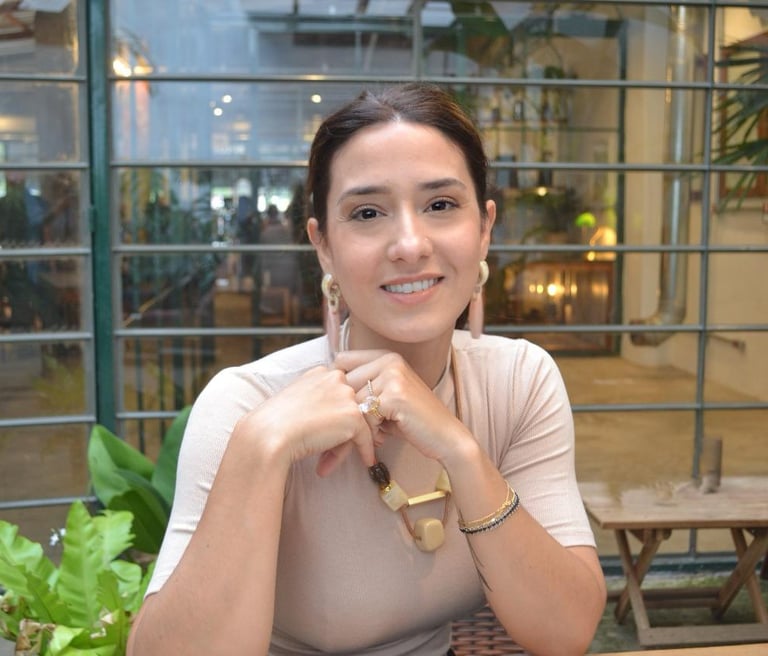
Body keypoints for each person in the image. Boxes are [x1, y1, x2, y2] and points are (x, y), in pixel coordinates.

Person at [127, 83, 606, 656]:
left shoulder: (518, 381)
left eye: (440, 205)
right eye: (368, 212)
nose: (409, 244)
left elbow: (566, 631)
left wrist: (461, 450)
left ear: (484, 227)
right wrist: (262, 447)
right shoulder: (246, 403)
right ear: (323, 245)